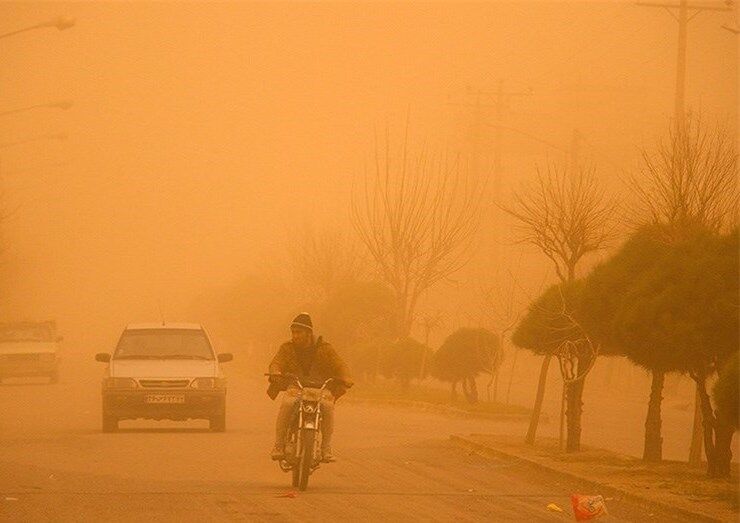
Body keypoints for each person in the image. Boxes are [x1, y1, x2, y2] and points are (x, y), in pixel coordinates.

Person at [267, 313, 352, 462]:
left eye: (298, 332)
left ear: (309, 333)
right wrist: (275, 372)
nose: (295, 336)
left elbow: (340, 365)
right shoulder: (286, 348)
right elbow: (276, 362)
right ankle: (279, 445)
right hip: (296, 386)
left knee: (327, 406)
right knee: (287, 404)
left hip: (321, 388)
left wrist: (346, 377)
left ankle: (326, 448)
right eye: (293, 332)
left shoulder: (325, 348)